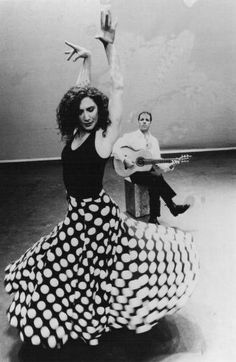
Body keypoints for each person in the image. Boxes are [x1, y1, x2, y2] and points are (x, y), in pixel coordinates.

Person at [4, 9, 199, 353]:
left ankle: (100, 316)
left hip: (96, 220)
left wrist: (109, 48)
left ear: (101, 111)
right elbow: (81, 92)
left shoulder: (103, 139)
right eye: (82, 111)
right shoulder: (76, 133)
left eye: (92, 110)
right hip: (76, 214)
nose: (87, 114)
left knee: (95, 275)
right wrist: (87, 60)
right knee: (51, 262)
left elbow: (118, 87)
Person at [113, 111, 190, 224]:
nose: (144, 121)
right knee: (156, 178)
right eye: (142, 119)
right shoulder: (131, 137)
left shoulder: (154, 141)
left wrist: (171, 164)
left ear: (150, 123)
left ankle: (156, 216)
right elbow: (115, 147)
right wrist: (125, 159)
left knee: (156, 178)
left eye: (147, 120)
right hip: (134, 172)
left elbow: (157, 160)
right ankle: (171, 207)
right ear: (138, 121)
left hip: (148, 171)